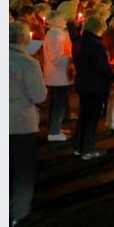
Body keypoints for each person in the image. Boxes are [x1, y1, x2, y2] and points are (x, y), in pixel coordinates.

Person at [9, 21, 48, 227]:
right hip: (20, 121)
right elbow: (39, 95)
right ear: (25, 39)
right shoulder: (27, 62)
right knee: (23, 168)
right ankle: (20, 212)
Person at [72, 16, 114, 160]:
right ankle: (88, 149)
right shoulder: (97, 45)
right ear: (99, 29)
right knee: (91, 119)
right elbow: (101, 67)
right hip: (95, 86)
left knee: (84, 116)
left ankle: (79, 147)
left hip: (83, 82)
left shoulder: (79, 41)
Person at [43, 11, 74, 141]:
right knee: (59, 104)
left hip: (60, 75)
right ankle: (54, 132)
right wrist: (72, 58)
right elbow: (56, 58)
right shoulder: (55, 35)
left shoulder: (57, 33)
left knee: (59, 104)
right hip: (58, 76)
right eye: (62, 19)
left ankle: (55, 128)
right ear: (55, 21)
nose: (65, 21)